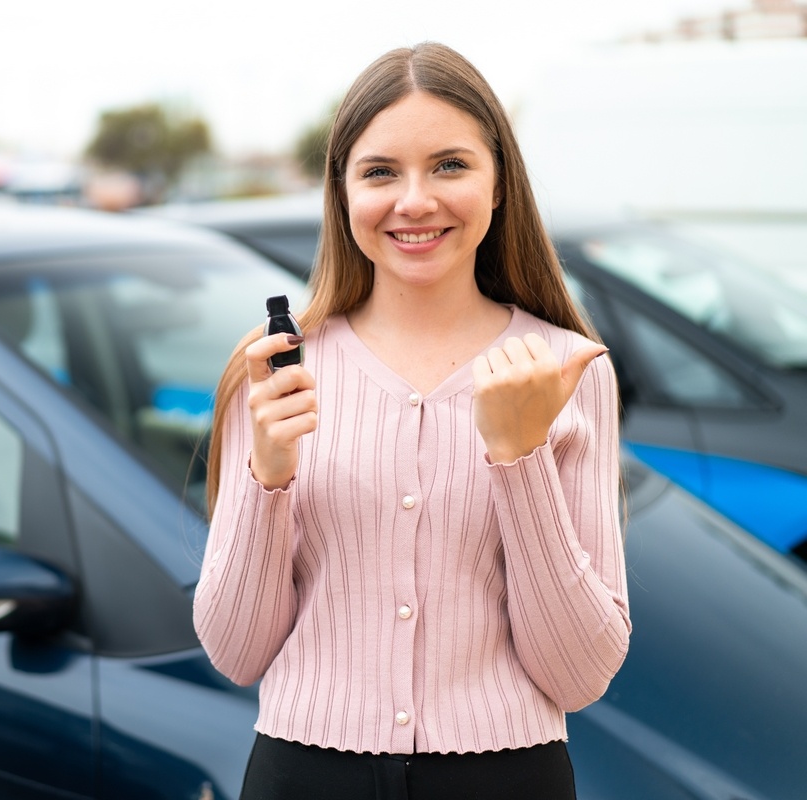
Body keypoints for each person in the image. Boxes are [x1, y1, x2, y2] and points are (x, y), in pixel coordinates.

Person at [192, 42, 630, 800]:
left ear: (499, 183)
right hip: (303, 777)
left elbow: (580, 675)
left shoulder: (568, 368)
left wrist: (519, 458)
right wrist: (269, 477)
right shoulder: (273, 367)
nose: (416, 201)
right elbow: (235, 654)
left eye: (450, 165)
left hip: (508, 781)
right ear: (342, 192)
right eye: (380, 172)